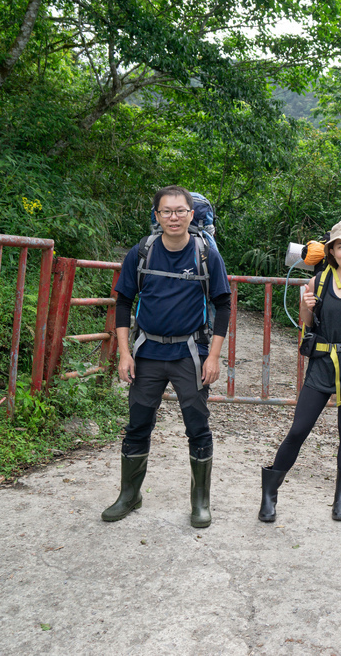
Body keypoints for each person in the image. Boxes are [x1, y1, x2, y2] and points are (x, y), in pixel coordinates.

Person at [103, 185, 232, 528]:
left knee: (197, 425)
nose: (173, 217)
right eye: (166, 211)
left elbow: (224, 304)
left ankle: (200, 502)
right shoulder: (142, 252)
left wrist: (214, 356)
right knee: (138, 424)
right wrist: (124, 354)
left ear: (192, 215)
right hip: (148, 352)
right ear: (157, 216)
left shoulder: (206, 254)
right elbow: (123, 302)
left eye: (180, 211)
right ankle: (129, 495)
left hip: (190, 352)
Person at [259, 220, 341, 523]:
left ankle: (340, 498)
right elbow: (307, 321)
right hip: (322, 365)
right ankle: (269, 493)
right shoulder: (319, 281)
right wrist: (305, 304)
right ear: (331, 250)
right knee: (299, 430)